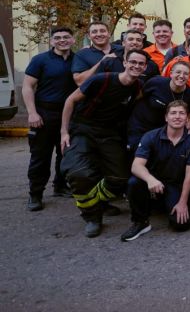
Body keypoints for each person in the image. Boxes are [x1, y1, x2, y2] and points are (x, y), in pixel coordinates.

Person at [59, 49, 147, 237]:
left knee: (121, 178)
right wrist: (64, 132)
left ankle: (94, 202)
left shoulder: (138, 87)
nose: (136, 66)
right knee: (79, 174)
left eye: (141, 64)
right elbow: (70, 100)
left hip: (109, 133)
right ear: (125, 62)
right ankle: (92, 216)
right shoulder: (102, 79)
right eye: (133, 62)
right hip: (83, 128)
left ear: (145, 67)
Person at [121, 100, 190, 241]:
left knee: (181, 224)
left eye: (181, 113)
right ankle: (141, 222)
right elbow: (136, 166)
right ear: (166, 117)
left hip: (176, 184)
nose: (177, 116)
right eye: (173, 113)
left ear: (187, 119)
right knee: (134, 182)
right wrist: (150, 179)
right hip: (154, 183)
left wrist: (182, 202)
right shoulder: (151, 136)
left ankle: (178, 206)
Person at [23, 26, 76, 211]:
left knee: (66, 154)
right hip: (45, 114)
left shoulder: (78, 59)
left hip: (69, 114)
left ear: (73, 40)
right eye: (58, 37)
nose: (62, 40)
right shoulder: (40, 60)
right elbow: (28, 86)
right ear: (52, 41)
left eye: (66, 37)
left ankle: (60, 186)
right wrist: (32, 113)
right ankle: (35, 194)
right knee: (40, 157)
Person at [126, 61, 190, 151]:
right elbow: (137, 98)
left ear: (189, 77)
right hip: (140, 126)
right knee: (136, 153)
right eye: (178, 72)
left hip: (163, 131)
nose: (181, 76)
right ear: (171, 74)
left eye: (186, 74)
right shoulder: (156, 82)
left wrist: (187, 127)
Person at [71, 21, 122, 86]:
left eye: (102, 31)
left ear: (109, 34)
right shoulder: (81, 54)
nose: (99, 34)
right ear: (89, 36)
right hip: (97, 95)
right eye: (94, 32)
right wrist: (101, 62)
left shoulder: (122, 50)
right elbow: (79, 82)